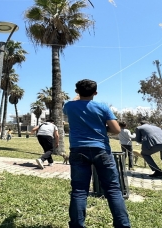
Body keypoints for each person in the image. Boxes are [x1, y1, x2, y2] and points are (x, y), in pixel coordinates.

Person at [63, 79, 131, 228]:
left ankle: (76, 225)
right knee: (113, 190)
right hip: (101, 150)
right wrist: (100, 128)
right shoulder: (102, 107)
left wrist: (78, 96)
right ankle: (123, 225)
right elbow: (116, 130)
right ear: (95, 93)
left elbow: (72, 102)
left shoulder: (69, 106)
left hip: (78, 150)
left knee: (79, 191)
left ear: (77, 92)